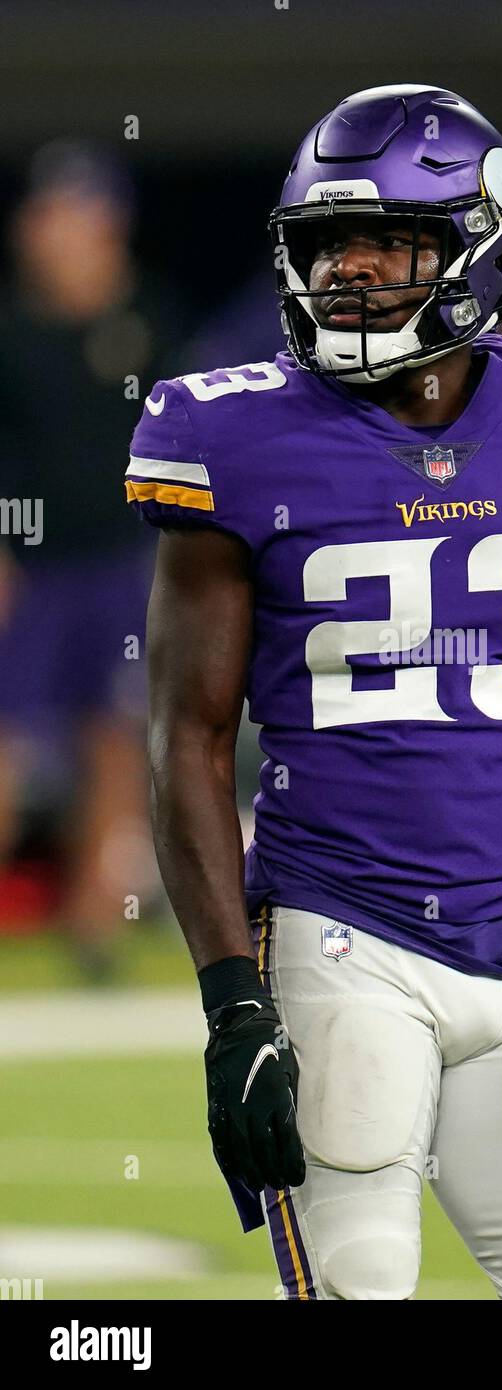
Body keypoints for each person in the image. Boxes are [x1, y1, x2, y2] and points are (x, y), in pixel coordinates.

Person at [129, 85, 502, 1301]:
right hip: (334, 938)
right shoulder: (229, 434)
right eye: (326, 246)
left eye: (389, 244)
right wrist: (232, 1006)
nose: (348, 274)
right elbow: (187, 738)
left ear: (483, 243)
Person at [0, 141, 183, 974]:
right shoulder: (11, 330)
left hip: (125, 566)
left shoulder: (151, 317)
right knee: (9, 742)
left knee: (115, 743)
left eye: (73, 213)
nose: (55, 231)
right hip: (30, 571)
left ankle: (94, 924)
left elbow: (185, 444)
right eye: (46, 215)